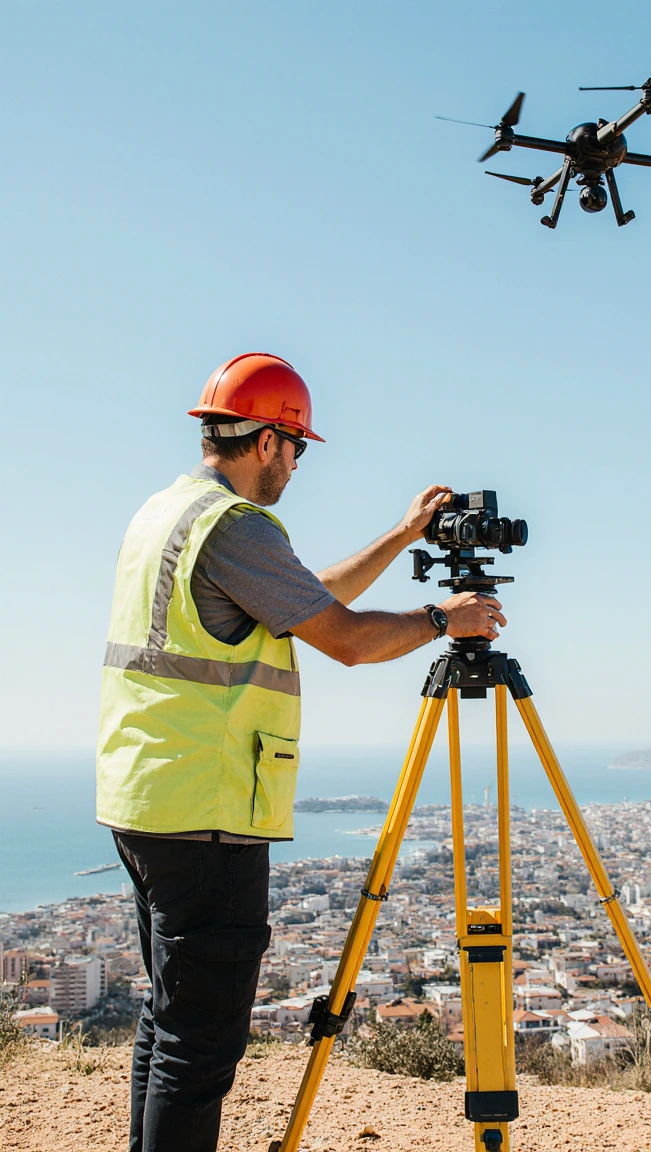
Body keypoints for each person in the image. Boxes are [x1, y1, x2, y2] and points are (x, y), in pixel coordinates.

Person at [96, 352, 505, 1152]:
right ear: (267, 442)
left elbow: (304, 599)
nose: (298, 464)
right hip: (207, 806)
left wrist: (404, 533)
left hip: (145, 798)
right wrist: (439, 620)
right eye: (298, 446)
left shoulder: (167, 513)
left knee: (170, 1017)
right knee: (201, 1041)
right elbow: (345, 641)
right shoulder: (236, 526)